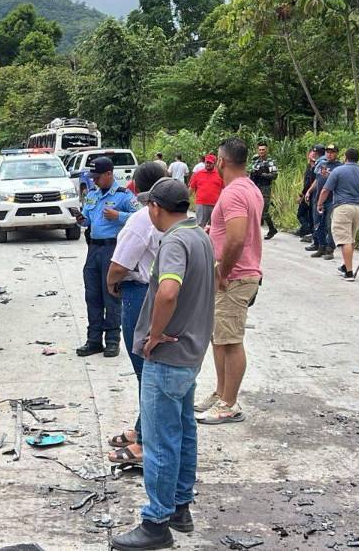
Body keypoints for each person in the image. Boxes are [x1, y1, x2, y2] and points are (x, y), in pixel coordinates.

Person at [110, 178, 215, 551]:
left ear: (155, 207)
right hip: (191, 353)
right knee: (184, 431)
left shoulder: (173, 241)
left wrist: (153, 334)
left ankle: (156, 522)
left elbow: (168, 291)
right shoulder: (200, 236)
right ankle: (179, 508)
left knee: (159, 440)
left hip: (169, 356)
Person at [104, 161, 168, 466]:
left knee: (146, 372)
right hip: (156, 292)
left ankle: (146, 443)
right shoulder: (172, 219)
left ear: (137, 187)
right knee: (150, 371)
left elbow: (120, 265)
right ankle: (143, 429)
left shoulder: (141, 220)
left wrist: (111, 282)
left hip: (140, 294)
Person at [196, 138, 264, 425]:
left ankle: (230, 403)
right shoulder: (250, 188)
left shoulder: (234, 193)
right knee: (220, 338)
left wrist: (222, 272)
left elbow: (236, 238)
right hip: (234, 275)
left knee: (231, 340)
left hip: (234, 278)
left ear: (222, 162)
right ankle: (221, 393)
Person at [76, 157, 142, 357]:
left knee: (111, 295)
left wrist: (118, 216)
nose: (94, 181)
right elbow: (87, 219)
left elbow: (141, 216)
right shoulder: (92, 195)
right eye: (92, 177)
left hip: (113, 249)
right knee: (92, 295)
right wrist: (81, 219)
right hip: (93, 249)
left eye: (97, 177)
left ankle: (112, 340)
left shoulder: (124, 196)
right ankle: (93, 340)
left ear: (109, 174)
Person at [317, 148, 359, 281]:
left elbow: (326, 190)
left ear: (345, 157)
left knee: (344, 240)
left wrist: (319, 204)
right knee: (350, 238)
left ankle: (349, 273)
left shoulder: (338, 171)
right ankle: (345, 265)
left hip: (343, 208)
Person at [305, 144, 341, 260]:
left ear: (336, 153)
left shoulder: (339, 167)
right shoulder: (322, 164)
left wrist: (330, 175)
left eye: (332, 152)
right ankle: (321, 246)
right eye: (328, 152)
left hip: (332, 200)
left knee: (330, 225)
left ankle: (330, 249)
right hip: (318, 198)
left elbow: (341, 182)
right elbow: (317, 180)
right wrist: (309, 191)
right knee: (318, 224)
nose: (329, 154)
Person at [249, 141, 280, 239]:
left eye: (263, 150)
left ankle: (272, 228)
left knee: (264, 210)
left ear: (266, 150)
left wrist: (262, 174)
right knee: (254, 209)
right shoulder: (255, 161)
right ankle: (255, 231)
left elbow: (274, 175)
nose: (261, 151)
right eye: (260, 150)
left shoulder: (270, 161)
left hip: (265, 187)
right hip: (255, 187)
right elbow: (251, 172)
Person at [188, 154, 224, 227]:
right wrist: (185, 198)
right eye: (207, 162)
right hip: (201, 204)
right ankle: (200, 238)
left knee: (213, 227)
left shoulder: (219, 175)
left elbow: (225, 189)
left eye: (210, 163)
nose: (208, 164)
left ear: (214, 163)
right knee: (200, 225)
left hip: (215, 205)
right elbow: (191, 188)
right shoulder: (198, 174)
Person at [297, 145, 324, 239]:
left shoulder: (317, 167)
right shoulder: (309, 166)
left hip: (314, 194)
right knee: (304, 214)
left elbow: (311, 182)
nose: (313, 154)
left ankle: (310, 231)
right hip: (308, 193)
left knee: (310, 215)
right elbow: (306, 182)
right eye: (312, 152)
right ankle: (307, 230)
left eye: (315, 153)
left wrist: (303, 194)